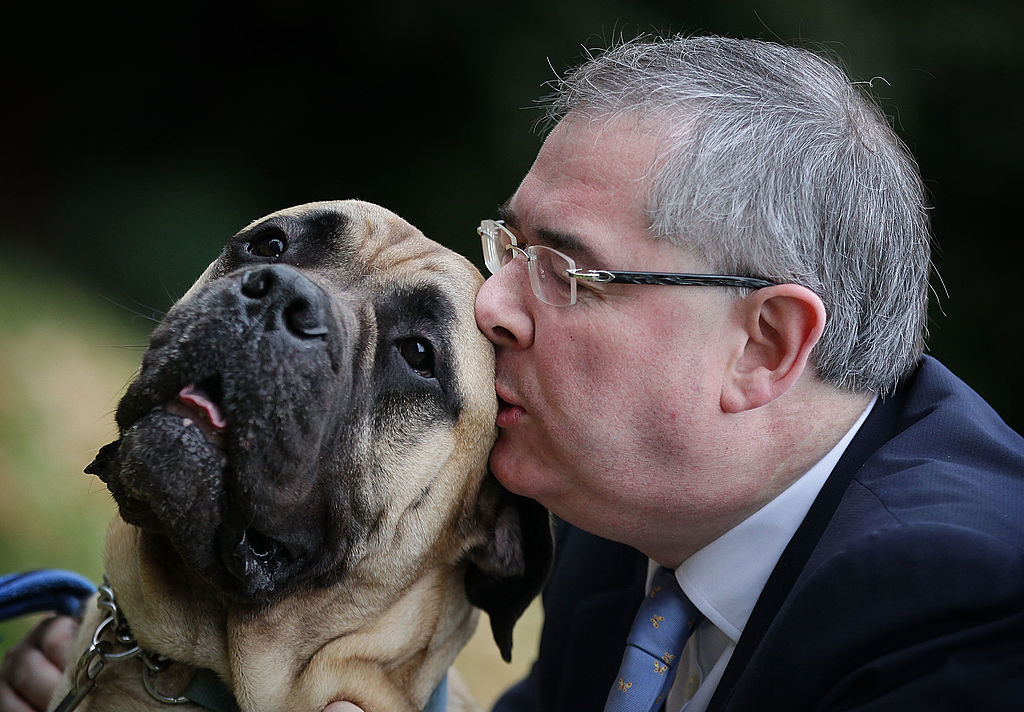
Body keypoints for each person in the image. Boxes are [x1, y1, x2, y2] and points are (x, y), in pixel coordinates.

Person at [3, 34, 1023, 712]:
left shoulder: (971, 612)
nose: (490, 305)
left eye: (564, 270)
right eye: (510, 245)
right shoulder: (625, 525)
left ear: (761, 345)